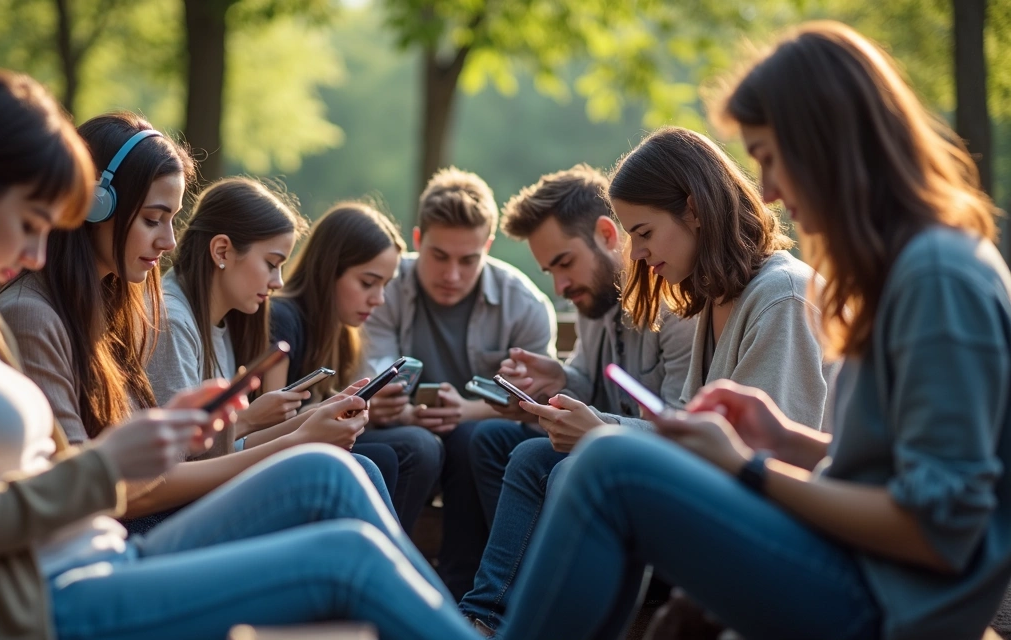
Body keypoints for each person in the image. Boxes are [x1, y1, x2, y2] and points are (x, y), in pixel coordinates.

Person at [0, 70, 483, 640]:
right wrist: (106, 468)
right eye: (30, 225)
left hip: (101, 556)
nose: (38, 254)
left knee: (322, 474)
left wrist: (156, 441)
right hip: (45, 603)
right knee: (349, 558)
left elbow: (46, 472)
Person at [497, 22, 1011, 640]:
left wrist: (749, 466)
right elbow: (901, 471)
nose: (765, 188)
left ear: (829, 143)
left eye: (769, 157)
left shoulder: (936, 276)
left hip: (889, 605)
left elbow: (936, 527)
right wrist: (788, 439)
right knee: (593, 464)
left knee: (611, 465)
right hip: (863, 574)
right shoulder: (906, 269)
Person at [0, 115, 393, 534]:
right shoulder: (33, 316)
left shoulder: (112, 308)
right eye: (153, 218)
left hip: (142, 521)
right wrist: (297, 441)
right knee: (337, 473)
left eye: (172, 219)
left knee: (355, 469)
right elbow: (115, 492)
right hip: (120, 541)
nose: (169, 240)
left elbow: (157, 463)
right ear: (95, 204)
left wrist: (299, 427)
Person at [456, 165, 695, 635]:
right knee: (490, 439)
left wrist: (600, 428)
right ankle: (494, 606)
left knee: (540, 460)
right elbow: (591, 381)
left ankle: (508, 610)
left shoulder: (676, 308)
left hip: (652, 473)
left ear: (607, 235)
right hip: (615, 452)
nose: (559, 286)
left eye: (564, 263)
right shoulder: (596, 301)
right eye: (550, 271)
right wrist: (557, 378)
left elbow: (679, 429)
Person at [363, 167, 556, 597]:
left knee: (473, 438)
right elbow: (371, 372)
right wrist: (390, 406)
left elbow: (536, 404)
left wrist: (468, 411)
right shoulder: (386, 288)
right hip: (407, 435)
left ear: (488, 246)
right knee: (426, 444)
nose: (452, 274)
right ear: (417, 241)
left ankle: (459, 591)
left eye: (468, 259)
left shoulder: (524, 303)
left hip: (480, 443)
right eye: (439, 256)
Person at [265, 201, 439, 531]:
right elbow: (274, 420)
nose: (379, 299)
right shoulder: (283, 319)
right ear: (329, 269)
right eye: (368, 282)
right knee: (400, 453)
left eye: (385, 285)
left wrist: (374, 411)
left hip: (309, 446)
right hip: (277, 455)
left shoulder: (344, 333)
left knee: (420, 445)